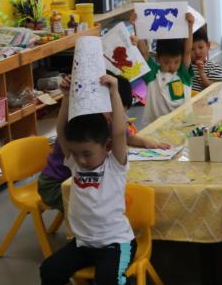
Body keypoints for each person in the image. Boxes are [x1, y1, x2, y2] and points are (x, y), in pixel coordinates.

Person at [39, 74, 138, 285]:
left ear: (106, 147)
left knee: (109, 281)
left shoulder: (115, 164)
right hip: (83, 243)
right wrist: (66, 98)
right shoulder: (74, 163)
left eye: (87, 154)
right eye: (76, 153)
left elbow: (118, 131)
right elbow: (62, 132)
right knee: (49, 271)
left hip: (116, 242)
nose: (81, 160)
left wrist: (114, 92)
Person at [37, 76, 170, 212]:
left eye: (119, 113)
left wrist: (146, 142)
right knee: (94, 202)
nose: (114, 117)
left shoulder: (106, 131)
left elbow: (123, 135)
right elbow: (61, 130)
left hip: (77, 182)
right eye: (113, 112)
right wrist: (67, 97)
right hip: (56, 183)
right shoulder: (81, 134)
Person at [133, 10, 195, 124]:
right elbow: (143, 52)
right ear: (157, 58)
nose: (172, 66)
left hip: (184, 124)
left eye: (176, 62)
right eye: (167, 62)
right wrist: (136, 25)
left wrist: (190, 27)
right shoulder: (152, 74)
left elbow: (187, 51)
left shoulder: (182, 72)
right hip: (158, 127)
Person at [190, 24, 222, 93]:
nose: (197, 52)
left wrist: (201, 73)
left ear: (208, 46)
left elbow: (217, 88)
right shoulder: (187, 66)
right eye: (192, 49)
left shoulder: (213, 67)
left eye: (200, 47)